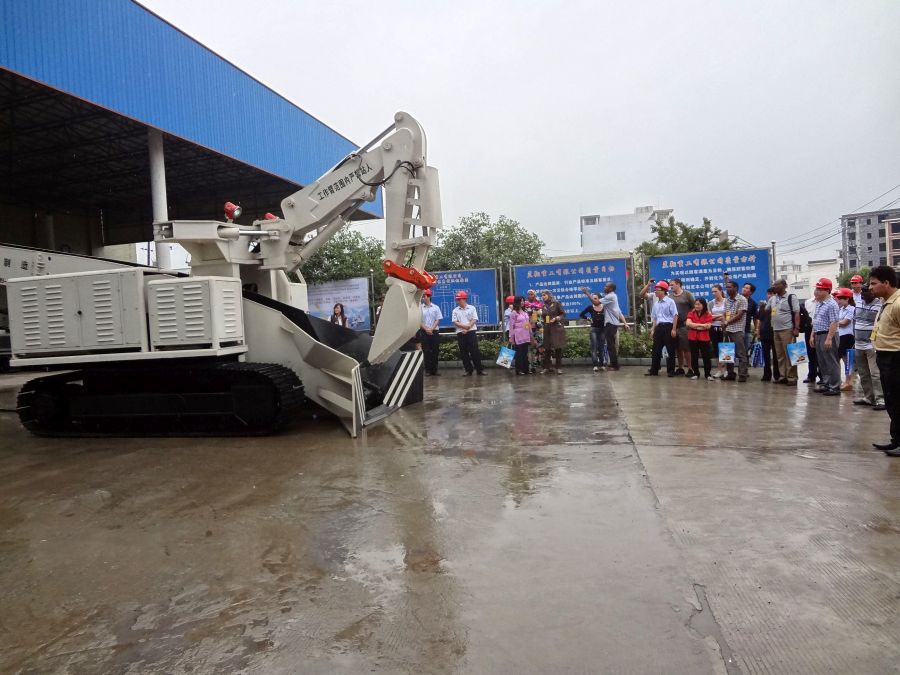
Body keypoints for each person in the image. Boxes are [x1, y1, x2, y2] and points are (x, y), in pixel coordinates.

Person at [869, 266, 900, 454]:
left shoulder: (898, 304)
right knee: (891, 401)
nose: (870, 287)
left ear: (886, 283)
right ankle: (896, 439)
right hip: (885, 357)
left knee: (898, 400)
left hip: (896, 358)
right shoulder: (885, 301)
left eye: (874, 283)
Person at [581, 283, 628, 371]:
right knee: (610, 345)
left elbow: (596, 303)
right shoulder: (612, 296)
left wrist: (587, 293)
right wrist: (625, 323)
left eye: (606, 286)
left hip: (611, 324)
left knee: (610, 345)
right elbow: (619, 311)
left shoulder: (610, 296)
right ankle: (614, 364)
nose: (604, 287)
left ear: (611, 288)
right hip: (611, 324)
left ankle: (614, 366)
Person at [852, 284, 885, 410]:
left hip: (871, 345)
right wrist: (855, 338)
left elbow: (881, 324)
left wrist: (876, 341)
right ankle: (869, 397)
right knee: (863, 373)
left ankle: (881, 399)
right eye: (862, 292)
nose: (863, 295)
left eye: (866, 292)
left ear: (872, 293)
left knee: (875, 374)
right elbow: (855, 321)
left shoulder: (879, 305)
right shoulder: (858, 303)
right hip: (858, 345)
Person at [811, 278, 840, 396]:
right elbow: (816, 320)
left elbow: (834, 322)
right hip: (818, 334)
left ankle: (835, 387)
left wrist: (829, 338)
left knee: (831, 361)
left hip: (828, 334)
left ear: (827, 291)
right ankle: (826, 384)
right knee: (822, 362)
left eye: (820, 289)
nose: (816, 292)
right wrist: (812, 335)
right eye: (816, 289)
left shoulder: (831, 304)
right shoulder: (819, 303)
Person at [768, 279, 800, 385]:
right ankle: (783, 376)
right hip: (775, 330)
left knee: (790, 354)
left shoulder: (791, 297)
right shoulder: (773, 298)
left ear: (784, 285)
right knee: (780, 355)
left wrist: (796, 328)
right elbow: (767, 310)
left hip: (788, 329)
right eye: (774, 285)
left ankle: (792, 377)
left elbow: (797, 313)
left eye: (776, 285)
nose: (774, 286)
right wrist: (764, 305)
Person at [646, 281, 678, 377]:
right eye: (655, 290)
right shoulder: (656, 304)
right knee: (656, 350)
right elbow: (655, 318)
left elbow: (675, 315)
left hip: (668, 327)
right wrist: (653, 329)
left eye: (657, 290)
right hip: (659, 328)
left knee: (670, 349)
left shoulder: (670, 302)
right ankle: (654, 370)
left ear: (664, 291)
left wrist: (674, 329)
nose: (655, 292)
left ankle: (671, 371)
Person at [452, 291, 485, 376]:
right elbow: (455, 322)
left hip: (471, 332)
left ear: (464, 299)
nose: (458, 301)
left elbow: (474, 319)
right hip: (461, 333)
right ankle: (468, 370)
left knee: (475, 351)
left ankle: (479, 370)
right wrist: (464, 327)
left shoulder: (472, 308)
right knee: (463, 352)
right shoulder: (455, 310)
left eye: (459, 299)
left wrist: (468, 328)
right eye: (457, 300)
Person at [722, 280, 748, 382]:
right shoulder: (727, 300)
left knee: (741, 354)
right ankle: (730, 374)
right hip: (727, 329)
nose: (727, 289)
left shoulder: (742, 299)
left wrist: (727, 322)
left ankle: (742, 375)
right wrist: (724, 322)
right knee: (727, 353)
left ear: (735, 288)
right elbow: (724, 313)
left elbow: (739, 315)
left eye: (729, 287)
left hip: (737, 329)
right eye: (727, 287)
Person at [669, 278, 695, 375]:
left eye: (672, 285)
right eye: (670, 285)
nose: (671, 287)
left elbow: (694, 307)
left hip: (685, 325)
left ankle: (690, 368)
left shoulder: (687, 294)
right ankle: (680, 368)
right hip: (674, 325)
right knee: (678, 348)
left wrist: (689, 318)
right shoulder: (670, 297)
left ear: (678, 284)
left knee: (686, 347)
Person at [686, 298, 714, 380]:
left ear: (703, 305)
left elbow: (708, 326)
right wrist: (702, 325)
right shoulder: (691, 313)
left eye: (699, 304)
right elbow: (688, 324)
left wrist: (694, 325)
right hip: (692, 337)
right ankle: (696, 373)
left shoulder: (708, 314)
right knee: (694, 356)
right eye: (696, 304)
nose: (697, 306)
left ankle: (708, 374)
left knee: (706, 356)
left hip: (704, 337)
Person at [540, 290, 567, 374]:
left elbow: (563, 314)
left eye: (544, 295)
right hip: (547, 328)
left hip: (556, 328)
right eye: (542, 295)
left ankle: (558, 368)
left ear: (549, 295)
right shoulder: (543, 305)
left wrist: (556, 318)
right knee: (547, 348)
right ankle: (546, 367)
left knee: (558, 348)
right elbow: (543, 317)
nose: (543, 297)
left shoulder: (556, 303)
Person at [758, 287, 781, 382]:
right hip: (764, 333)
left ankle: (777, 375)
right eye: (769, 294)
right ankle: (766, 375)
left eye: (772, 294)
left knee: (776, 356)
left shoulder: (778, 306)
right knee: (766, 356)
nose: (770, 296)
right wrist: (758, 332)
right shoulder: (763, 306)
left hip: (775, 333)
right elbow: (760, 320)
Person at [834, 288, 856, 391]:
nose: (838, 300)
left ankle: (849, 381)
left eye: (840, 298)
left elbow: (845, 322)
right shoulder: (841, 309)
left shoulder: (852, 309)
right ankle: (843, 381)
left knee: (847, 360)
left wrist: (834, 323)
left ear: (847, 299)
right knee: (839, 359)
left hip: (847, 336)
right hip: (840, 336)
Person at [579, 293, 606, 372]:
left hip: (602, 329)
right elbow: (581, 314)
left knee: (601, 347)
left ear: (599, 299)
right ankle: (595, 365)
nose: (593, 300)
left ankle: (602, 365)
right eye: (592, 298)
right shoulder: (590, 307)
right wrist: (588, 318)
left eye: (595, 298)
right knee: (594, 347)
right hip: (593, 329)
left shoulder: (604, 307)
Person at [418, 289, 443, 376]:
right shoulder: (419, 308)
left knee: (435, 351)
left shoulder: (436, 307)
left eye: (424, 296)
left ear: (429, 297)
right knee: (426, 351)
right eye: (422, 296)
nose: (423, 298)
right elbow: (418, 320)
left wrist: (431, 329)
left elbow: (438, 319)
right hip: (424, 332)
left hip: (434, 331)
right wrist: (426, 329)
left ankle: (434, 370)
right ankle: (427, 370)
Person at [508, 296, 533, 375]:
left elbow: (528, 324)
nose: (522, 302)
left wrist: (531, 334)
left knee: (525, 353)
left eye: (523, 301)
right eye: (520, 301)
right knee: (519, 353)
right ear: (517, 302)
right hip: (518, 336)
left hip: (526, 335)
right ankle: (519, 370)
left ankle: (526, 369)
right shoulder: (514, 313)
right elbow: (511, 326)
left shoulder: (525, 312)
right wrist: (511, 337)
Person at [709, 284, 727, 379]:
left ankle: (726, 370)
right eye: (712, 292)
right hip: (714, 328)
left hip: (724, 328)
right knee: (716, 349)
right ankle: (719, 370)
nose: (714, 293)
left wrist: (721, 317)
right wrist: (721, 316)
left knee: (725, 349)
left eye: (715, 291)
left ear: (720, 291)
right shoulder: (711, 303)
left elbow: (728, 315)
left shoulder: (726, 301)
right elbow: (709, 317)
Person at [802, 296, 820, 384]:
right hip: (809, 328)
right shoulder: (808, 302)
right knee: (810, 352)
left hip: (821, 328)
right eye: (817, 289)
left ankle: (822, 376)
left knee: (820, 353)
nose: (818, 292)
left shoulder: (827, 302)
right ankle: (811, 375)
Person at [742, 282, 759, 352]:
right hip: (735, 330)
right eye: (744, 287)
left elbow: (755, 318)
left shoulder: (753, 303)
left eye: (746, 288)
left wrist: (756, 329)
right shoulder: (736, 299)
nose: (744, 289)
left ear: (751, 292)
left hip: (746, 329)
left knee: (745, 350)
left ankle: (745, 359)